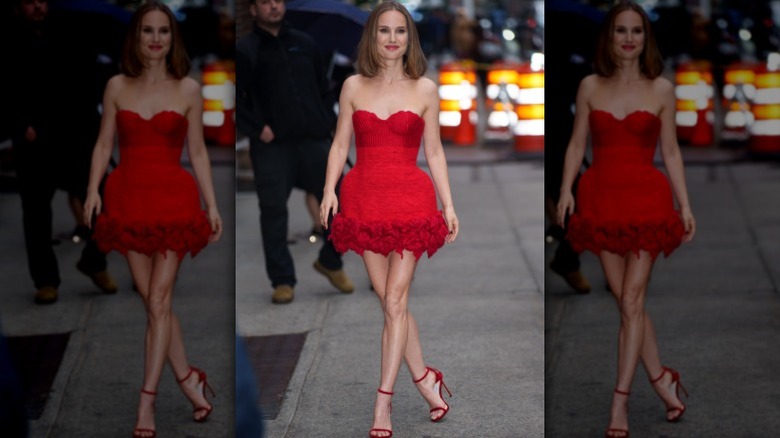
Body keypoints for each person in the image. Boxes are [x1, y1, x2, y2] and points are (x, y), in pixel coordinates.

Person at [555, 2, 696, 437]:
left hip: (647, 202)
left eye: (636, 31)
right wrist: (565, 191)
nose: (629, 38)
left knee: (632, 301)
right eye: (621, 30)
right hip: (600, 199)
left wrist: (684, 204)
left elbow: (670, 151)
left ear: (645, 39)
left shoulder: (662, 90)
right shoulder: (589, 86)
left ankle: (620, 404)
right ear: (610, 37)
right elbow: (577, 145)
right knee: (626, 303)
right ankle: (662, 379)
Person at [83, 2, 223, 437]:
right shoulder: (116, 86)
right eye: (147, 30)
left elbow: (198, 151)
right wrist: (91, 191)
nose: (156, 38)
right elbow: (104, 144)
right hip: (126, 199)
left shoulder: (189, 90)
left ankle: (147, 403)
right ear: (136, 37)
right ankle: (189, 379)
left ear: (172, 38)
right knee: (154, 303)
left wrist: (212, 204)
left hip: (173, 203)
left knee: (159, 301)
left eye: (163, 31)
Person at [320, 2, 459, 436]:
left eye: (400, 31)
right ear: (372, 37)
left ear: (409, 39)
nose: (392, 39)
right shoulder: (352, 86)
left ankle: (382, 405)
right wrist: (328, 191)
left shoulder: (425, 90)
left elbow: (434, 152)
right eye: (384, 31)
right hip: (363, 200)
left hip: (411, 202)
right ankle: (425, 379)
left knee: (395, 302)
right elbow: (341, 145)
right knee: (390, 303)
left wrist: (448, 204)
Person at [236, 0, 354, 305]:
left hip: (314, 140)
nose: (273, 6)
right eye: (265, 2)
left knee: (345, 202)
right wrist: (258, 128)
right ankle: (282, 280)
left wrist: (328, 120)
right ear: (253, 10)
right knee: (274, 212)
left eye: (278, 1)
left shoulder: (306, 43)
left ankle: (330, 260)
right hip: (273, 147)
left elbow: (322, 87)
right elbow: (236, 99)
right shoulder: (246, 50)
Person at [7, 0, 117, 305]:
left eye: (41, 0)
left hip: (76, 136)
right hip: (34, 142)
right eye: (29, 2)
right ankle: (45, 281)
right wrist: (20, 125)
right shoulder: (11, 38)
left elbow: (91, 77)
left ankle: (94, 260)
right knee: (36, 215)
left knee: (107, 201)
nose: (37, 7)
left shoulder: (72, 30)